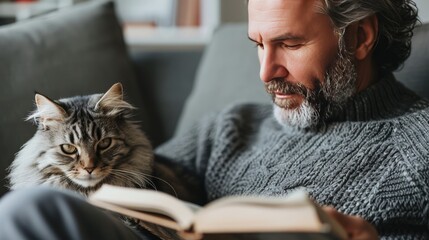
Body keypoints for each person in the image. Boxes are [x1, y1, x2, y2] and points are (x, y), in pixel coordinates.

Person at [0, 0, 427, 239]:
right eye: (259, 45)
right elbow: (145, 193)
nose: (265, 72)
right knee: (35, 209)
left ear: (361, 36)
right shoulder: (230, 125)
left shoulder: (420, 147)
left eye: (289, 44)